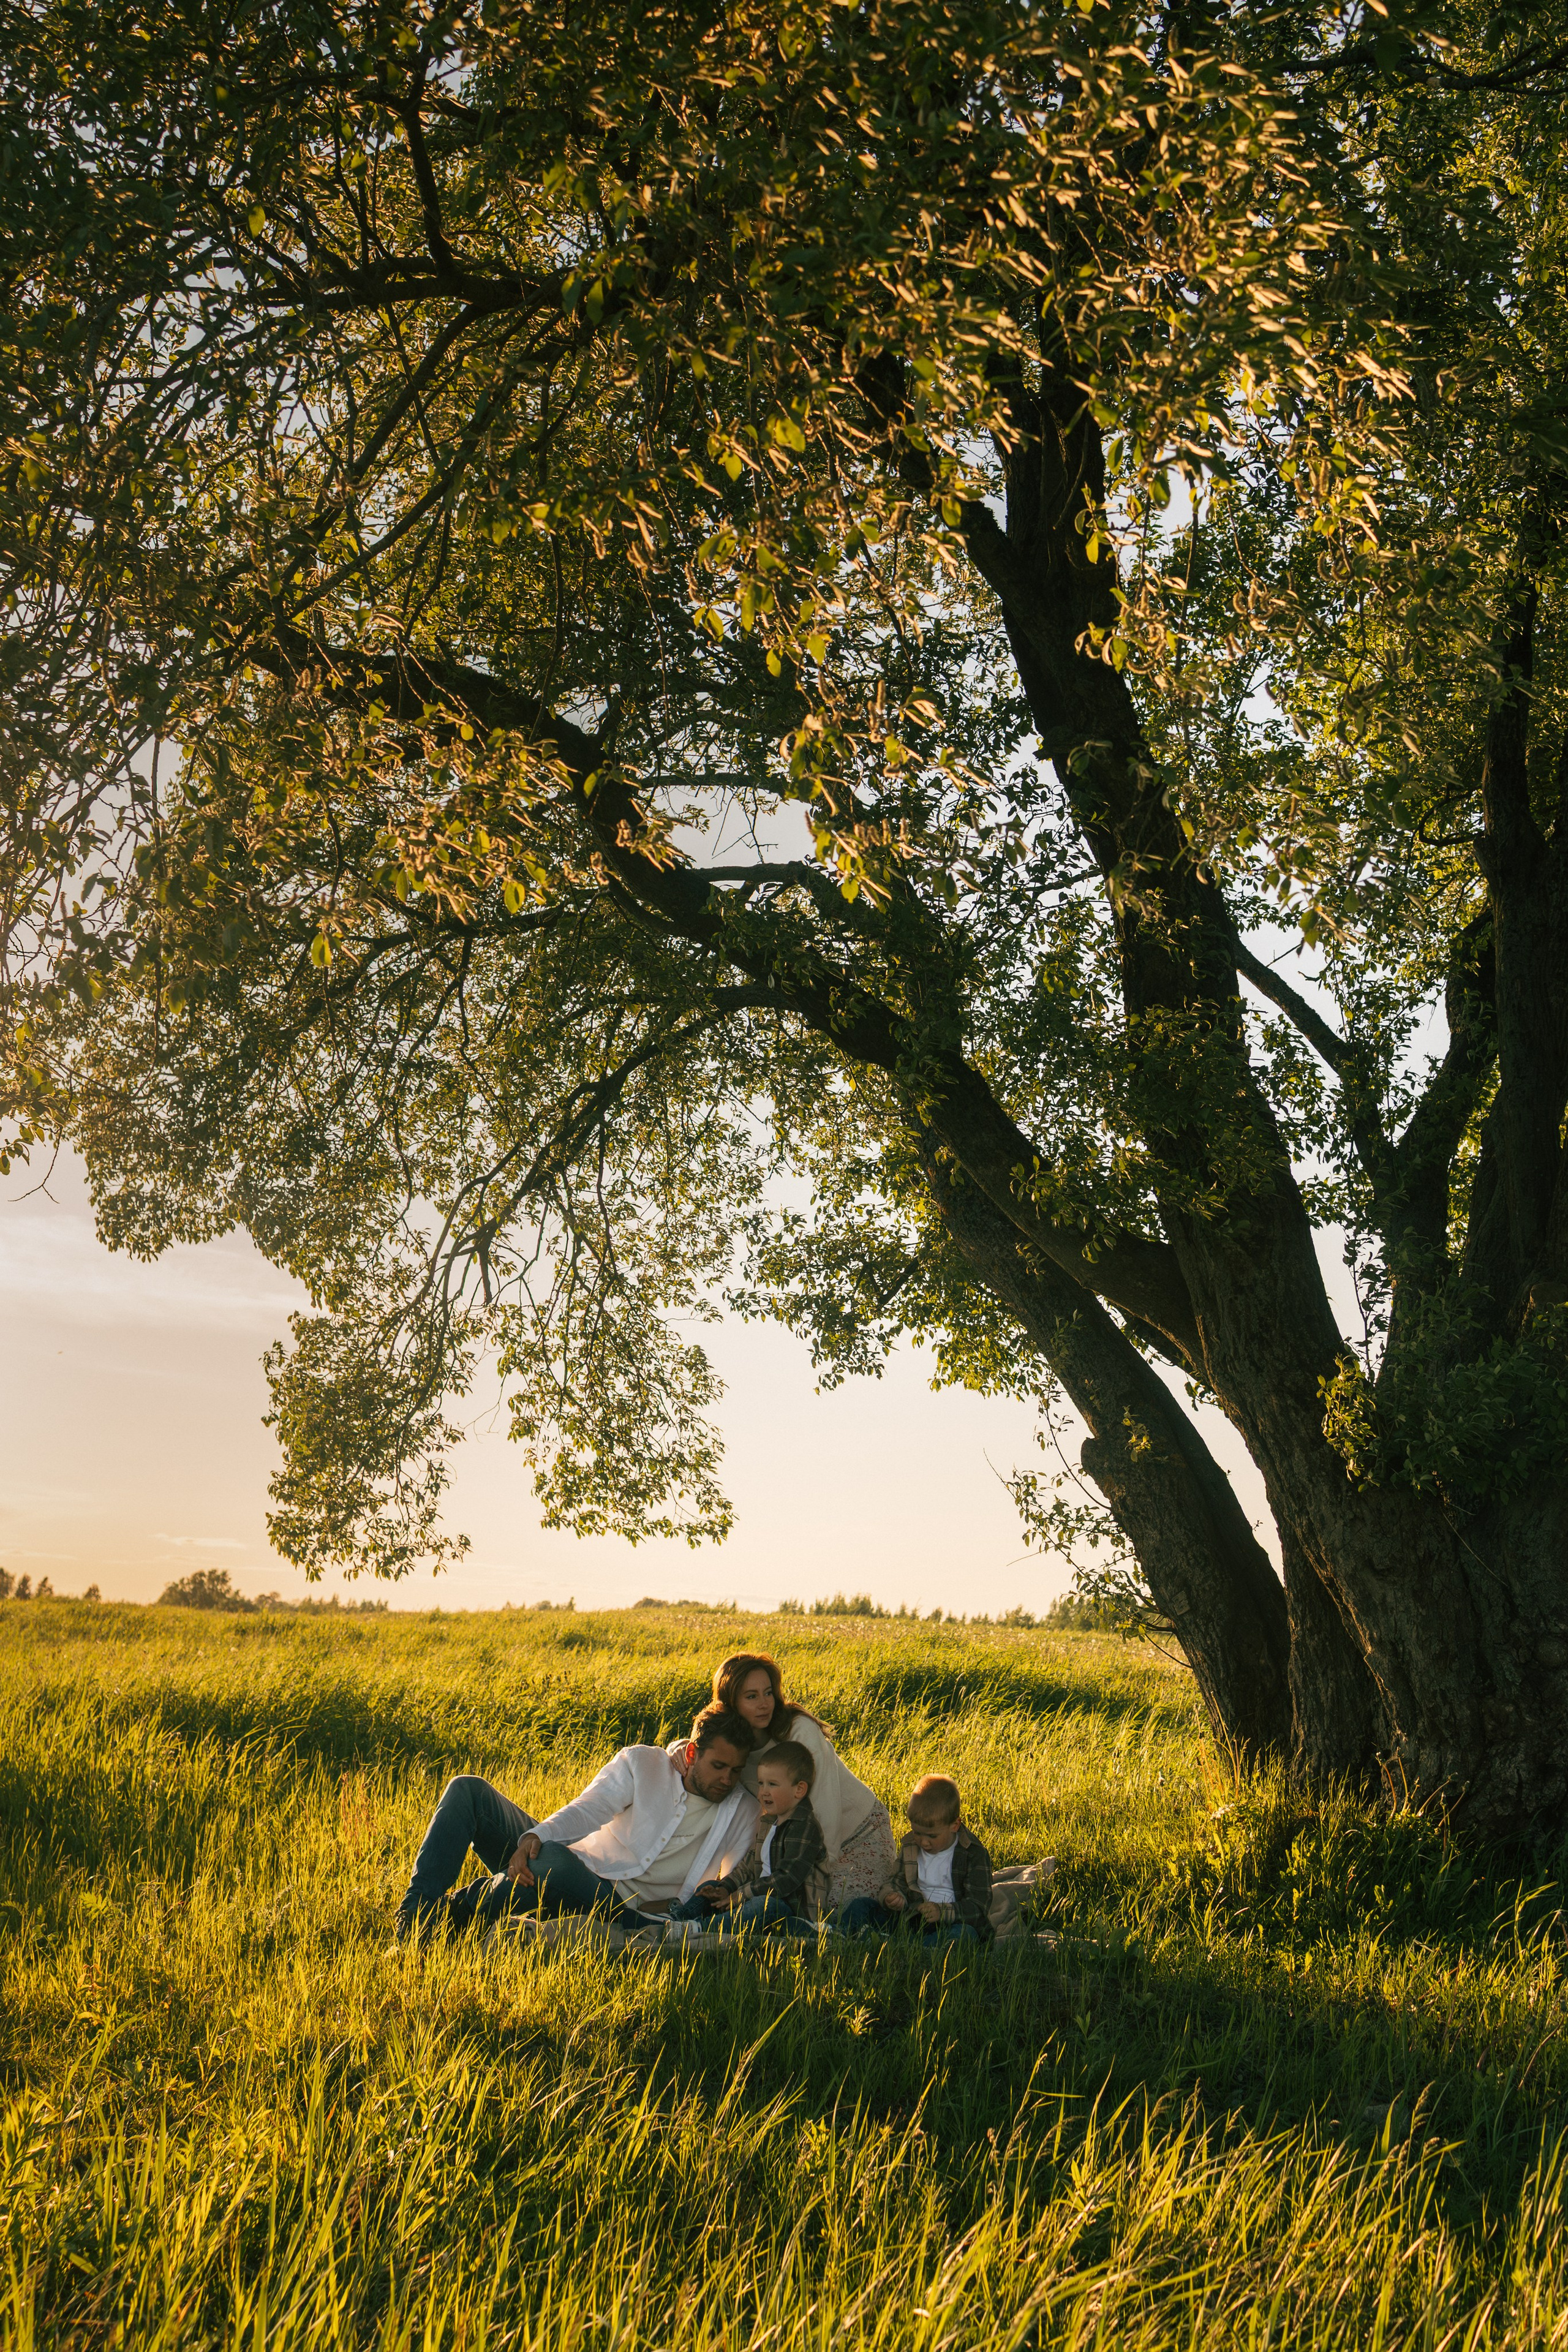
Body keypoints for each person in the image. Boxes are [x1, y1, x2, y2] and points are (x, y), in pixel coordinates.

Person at [394, 1703, 756, 1941]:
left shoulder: (741, 1809)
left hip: (617, 1907)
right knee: (468, 1791)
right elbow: (589, 1808)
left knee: (553, 1862)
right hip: (578, 1865)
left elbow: (731, 1881)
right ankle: (413, 1918)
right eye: (718, 1767)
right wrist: (534, 1835)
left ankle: (448, 1917)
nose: (727, 1779)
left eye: (736, 1770)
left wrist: (681, 1908)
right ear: (692, 1754)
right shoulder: (646, 1765)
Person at [703, 1651, 898, 1907]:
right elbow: (699, 1746)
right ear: (730, 1703)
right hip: (794, 1845)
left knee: (832, 1911)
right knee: (760, 1904)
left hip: (858, 1833)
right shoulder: (735, 1749)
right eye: (752, 1696)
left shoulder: (798, 1731)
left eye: (768, 1692)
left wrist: (818, 1874)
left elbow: (824, 1806)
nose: (765, 1704)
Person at [667, 1739, 828, 1938]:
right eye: (761, 1784)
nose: (764, 1792)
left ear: (799, 1790)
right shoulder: (769, 1822)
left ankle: (698, 1929)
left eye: (773, 1784)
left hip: (790, 1912)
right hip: (753, 1901)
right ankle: (678, 1919)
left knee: (767, 1905)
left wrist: (742, 1894)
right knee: (711, 1887)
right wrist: (727, 1889)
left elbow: (787, 1879)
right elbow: (749, 1865)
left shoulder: (805, 1826)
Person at [834, 1773, 993, 1947]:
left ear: (955, 1825)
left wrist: (942, 1912)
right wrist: (893, 1896)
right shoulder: (912, 1845)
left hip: (950, 1924)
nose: (924, 1842)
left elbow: (978, 1907)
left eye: (932, 1836)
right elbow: (896, 1880)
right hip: (911, 1920)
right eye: (918, 1833)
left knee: (964, 1935)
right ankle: (837, 1934)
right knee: (862, 1905)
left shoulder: (974, 1854)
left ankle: (902, 1946)